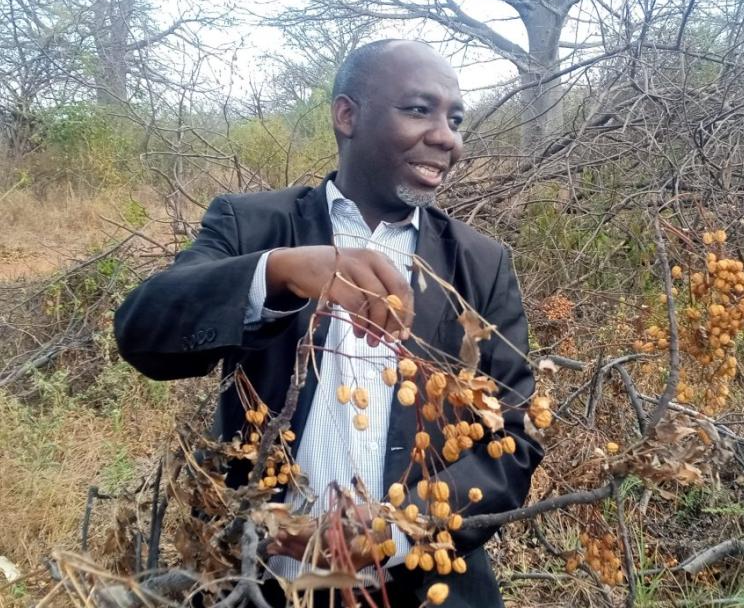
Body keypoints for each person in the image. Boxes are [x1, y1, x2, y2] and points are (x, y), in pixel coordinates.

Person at [115, 39, 542, 607]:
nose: (447, 136)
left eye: (455, 118)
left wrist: (394, 530)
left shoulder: (479, 262)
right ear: (348, 115)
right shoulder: (253, 225)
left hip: (421, 585)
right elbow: (143, 332)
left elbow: (514, 436)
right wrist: (280, 272)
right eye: (419, 110)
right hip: (263, 581)